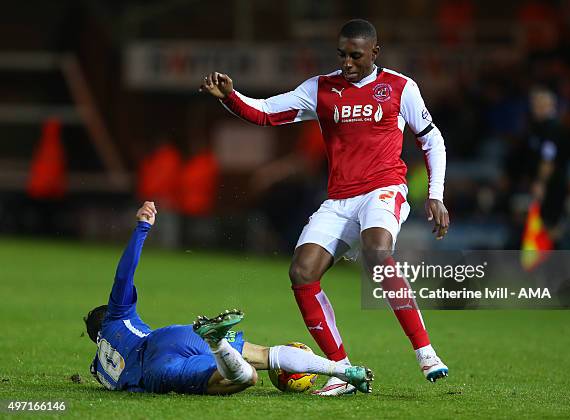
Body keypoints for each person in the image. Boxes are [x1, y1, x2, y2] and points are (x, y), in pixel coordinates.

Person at [201, 19, 449, 395]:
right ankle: (342, 370)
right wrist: (232, 98)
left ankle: (425, 352)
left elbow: (432, 141)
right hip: (339, 200)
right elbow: (267, 112)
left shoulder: (400, 87)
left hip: (384, 189)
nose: (347, 63)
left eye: (356, 56)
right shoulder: (320, 89)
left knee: (377, 252)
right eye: (342, 55)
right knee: (301, 272)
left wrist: (436, 194)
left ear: (374, 53)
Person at [84, 201, 373, 395]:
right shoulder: (116, 317)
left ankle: (217, 343)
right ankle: (342, 370)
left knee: (245, 378)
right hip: (168, 338)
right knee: (263, 357)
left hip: (154, 372)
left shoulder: (98, 368)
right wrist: (142, 228)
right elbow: (124, 276)